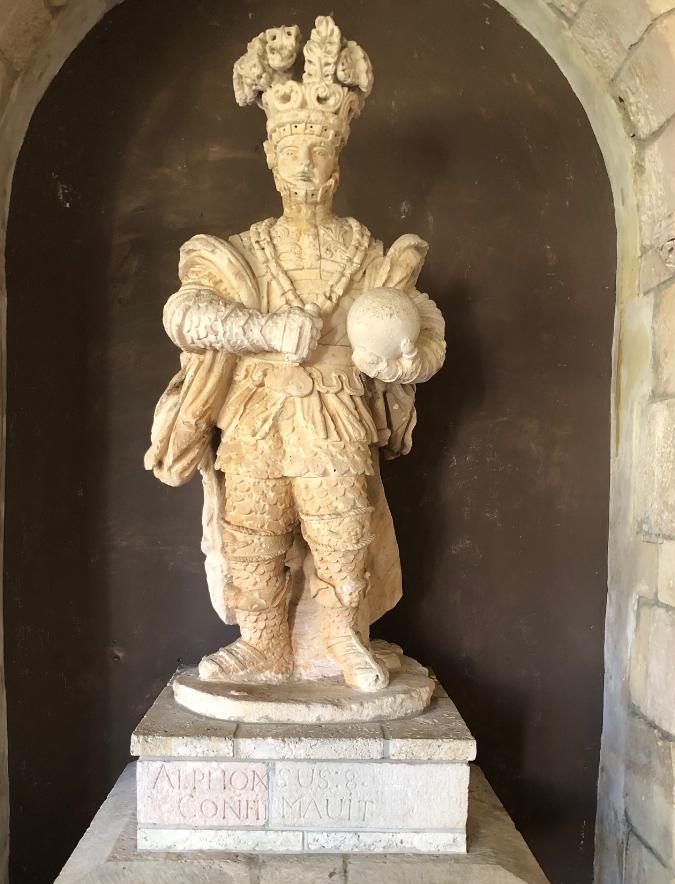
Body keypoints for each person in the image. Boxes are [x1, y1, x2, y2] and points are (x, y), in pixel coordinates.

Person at [146, 17, 445, 692]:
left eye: (317, 151)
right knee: (253, 531)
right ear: (271, 159)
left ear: (336, 160)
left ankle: (340, 635)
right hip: (255, 411)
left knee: (344, 529)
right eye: (290, 152)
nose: (304, 164)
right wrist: (264, 328)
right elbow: (183, 315)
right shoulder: (241, 251)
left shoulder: (368, 253)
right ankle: (264, 645)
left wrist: (402, 362)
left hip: (336, 413)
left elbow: (423, 330)